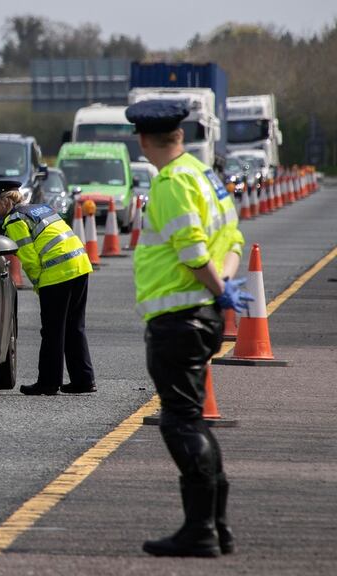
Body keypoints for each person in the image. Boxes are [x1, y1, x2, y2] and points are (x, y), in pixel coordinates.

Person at [126, 99, 252, 558]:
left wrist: (216, 286)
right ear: (180, 135)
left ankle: (201, 530)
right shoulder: (205, 176)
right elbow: (233, 237)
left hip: (178, 318)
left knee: (179, 422)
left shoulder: (171, 183)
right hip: (203, 316)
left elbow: (192, 251)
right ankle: (216, 527)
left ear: (143, 140)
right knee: (193, 419)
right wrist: (225, 289)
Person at [0, 179, 95, 396]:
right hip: (80, 265)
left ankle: (48, 382)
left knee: (52, 331)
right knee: (75, 327)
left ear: (5, 201)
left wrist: (39, 284)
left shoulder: (14, 220)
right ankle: (83, 380)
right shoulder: (41, 208)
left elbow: (28, 256)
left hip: (57, 272)